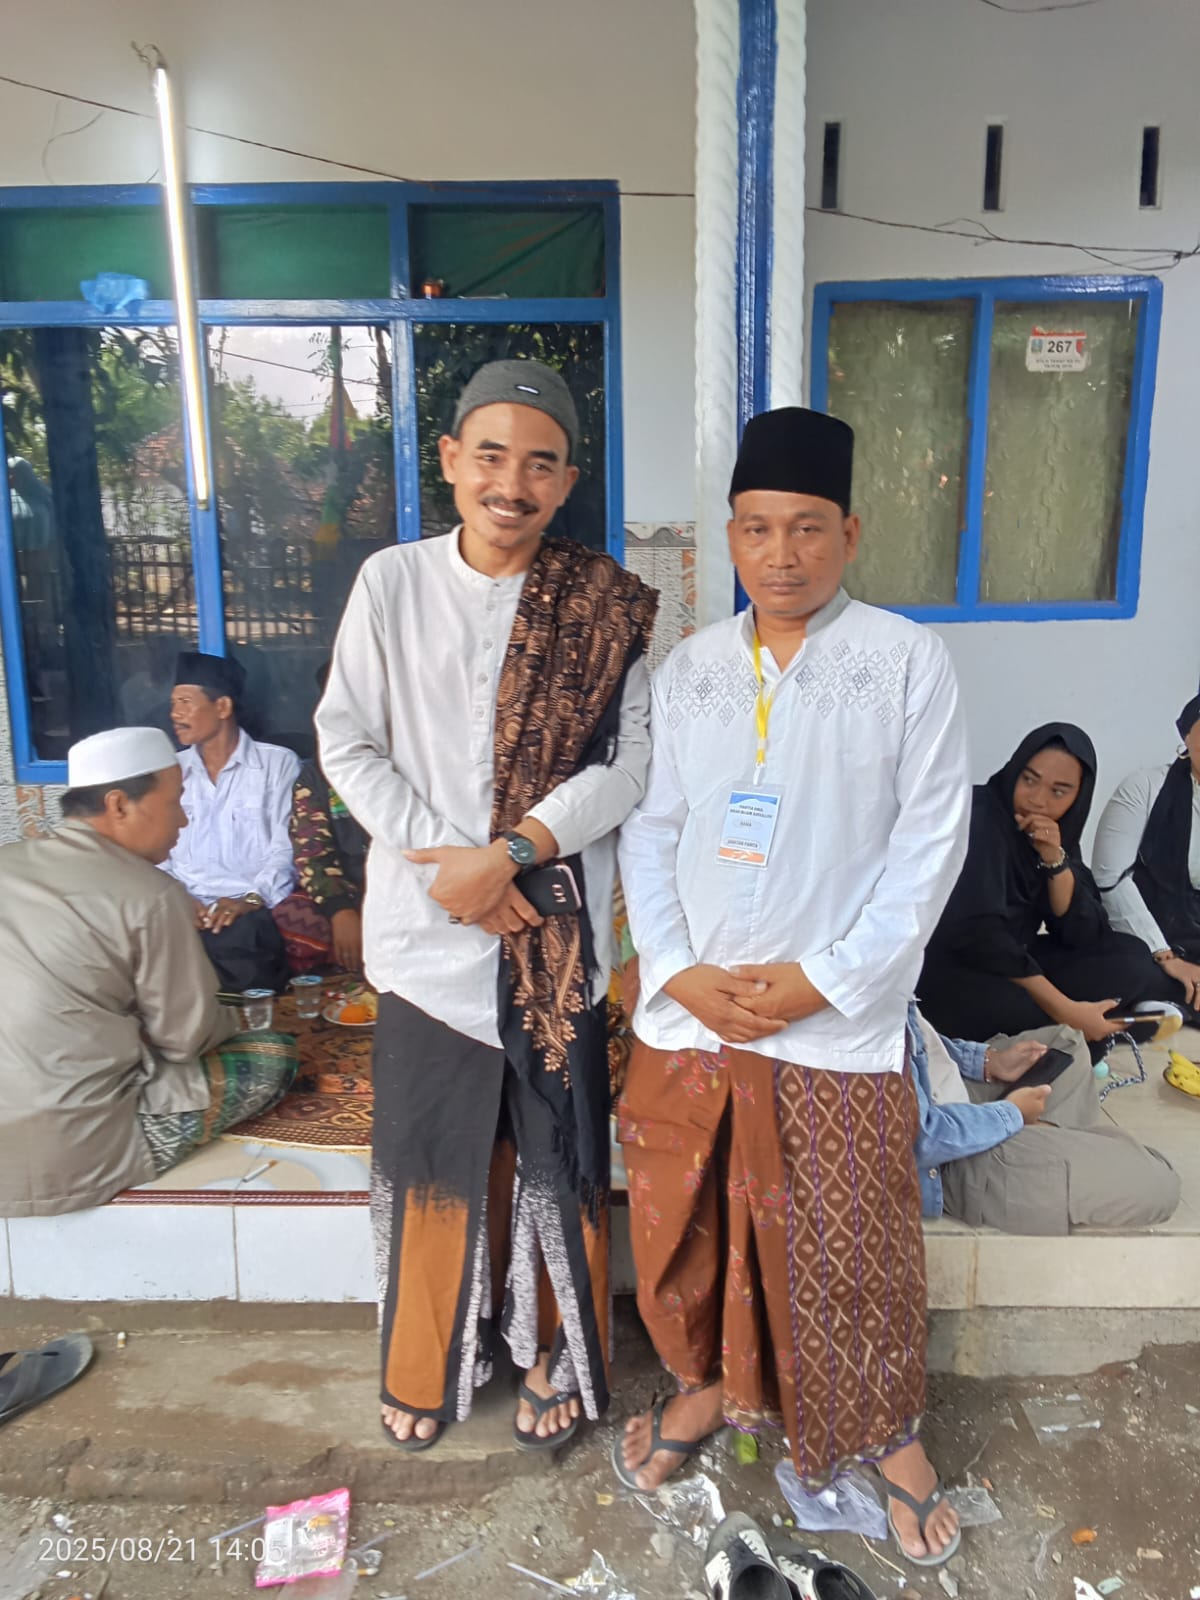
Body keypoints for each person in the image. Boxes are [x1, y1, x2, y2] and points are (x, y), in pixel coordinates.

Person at [616, 406, 969, 1568]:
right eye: (759, 529)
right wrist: (678, 968)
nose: (782, 554)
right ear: (730, 536)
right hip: (695, 1017)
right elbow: (651, 828)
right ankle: (705, 1386)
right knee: (689, 1227)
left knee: (851, 1245)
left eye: (808, 527)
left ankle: (887, 1434)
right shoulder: (690, 671)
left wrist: (826, 980)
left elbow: (931, 845)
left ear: (850, 533)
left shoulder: (906, 662)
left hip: (834, 1028)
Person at [316, 360, 657, 1454]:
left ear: (568, 481)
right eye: (493, 457)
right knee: (430, 1152)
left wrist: (509, 855)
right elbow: (346, 742)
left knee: (556, 1147)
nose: (513, 483)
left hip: (549, 925)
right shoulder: (392, 583)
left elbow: (630, 764)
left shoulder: (603, 605)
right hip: (427, 933)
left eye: (541, 463)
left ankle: (552, 1347)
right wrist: (452, 868)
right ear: (452, 460)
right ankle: (433, 1355)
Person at [0, 728, 297, 1217]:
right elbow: (184, 1039)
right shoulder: (152, 894)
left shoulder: (8, 862)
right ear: (119, 805)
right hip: (76, 1150)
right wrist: (231, 1015)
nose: (184, 819)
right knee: (273, 1055)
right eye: (175, 801)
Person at [918, 724, 1180, 1060]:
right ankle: (1095, 1028)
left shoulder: (1057, 834)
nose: (1038, 799)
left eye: (1058, 792)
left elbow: (1083, 933)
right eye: (1029, 780)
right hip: (948, 972)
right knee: (1014, 1005)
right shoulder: (979, 814)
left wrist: (1054, 859)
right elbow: (980, 935)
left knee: (1131, 956)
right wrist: (1065, 1009)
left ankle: (1088, 1027)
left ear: (1078, 797)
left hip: (1014, 960)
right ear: (1015, 769)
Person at [907, 1004, 1179, 1234]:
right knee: (1158, 1182)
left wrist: (988, 1061)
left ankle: (1039, 1150)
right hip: (944, 1159)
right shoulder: (881, 1002)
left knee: (1067, 1043)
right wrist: (1010, 1114)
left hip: (941, 1096)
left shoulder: (890, 968)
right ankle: (1029, 1153)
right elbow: (919, 1138)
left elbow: (917, 1035)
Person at [163, 651, 300, 993]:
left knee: (242, 952)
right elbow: (156, 851)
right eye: (173, 704)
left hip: (247, 906)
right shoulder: (171, 769)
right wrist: (177, 898)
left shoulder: (277, 765)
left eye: (185, 703)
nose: (175, 714)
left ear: (222, 707)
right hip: (182, 903)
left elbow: (285, 849)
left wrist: (251, 900)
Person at [1093, 693, 1200, 1019]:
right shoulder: (1144, 787)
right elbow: (1110, 878)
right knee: (1127, 967)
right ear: (1186, 734)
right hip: (1149, 936)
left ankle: (1171, 1001)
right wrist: (1165, 954)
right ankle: (1163, 997)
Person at [272, 667, 371, 975]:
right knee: (294, 921)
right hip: (347, 890)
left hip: (408, 888)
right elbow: (311, 853)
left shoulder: (410, 761)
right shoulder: (316, 775)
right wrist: (339, 909)